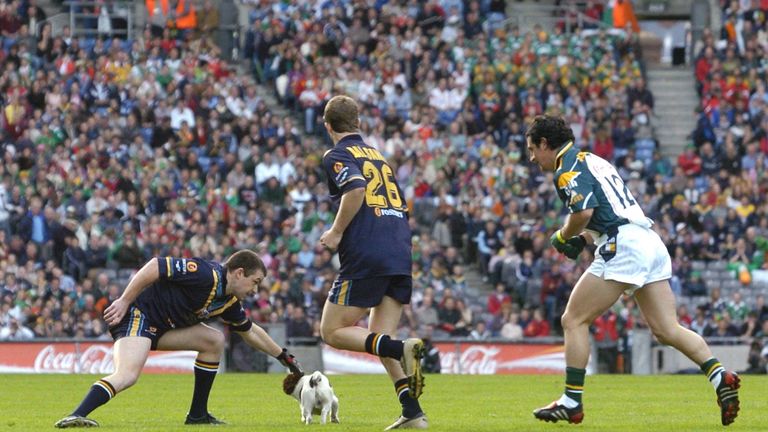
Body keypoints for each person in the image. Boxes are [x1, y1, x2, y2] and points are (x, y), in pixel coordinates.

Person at [525, 115, 740, 426]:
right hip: (648, 240)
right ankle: (720, 376)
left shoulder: (567, 168)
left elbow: (584, 212)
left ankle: (572, 401)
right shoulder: (593, 159)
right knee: (667, 329)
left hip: (623, 245)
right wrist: (584, 236)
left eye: (533, 149)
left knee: (573, 319)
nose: (532, 157)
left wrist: (564, 235)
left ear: (545, 144)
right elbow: (606, 211)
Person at [54, 250, 303, 428]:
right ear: (239, 273)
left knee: (213, 340)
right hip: (139, 317)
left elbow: (251, 331)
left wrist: (283, 356)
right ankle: (76, 415)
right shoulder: (206, 274)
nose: (255, 290)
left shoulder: (229, 301)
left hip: (163, 327)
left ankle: (197, 415)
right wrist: (124, 300)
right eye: (255, 282)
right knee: (127, 375)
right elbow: (154, 266)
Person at [317, 95, 428, 430]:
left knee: (331, 330)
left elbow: (355, 190)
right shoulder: (379, 156)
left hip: (368, 253)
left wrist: (336, 232)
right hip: (398, 249)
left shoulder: (336, 154)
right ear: (359, 124)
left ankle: (401, 347)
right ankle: (412, 412)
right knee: (379, 337)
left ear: (327, 126)